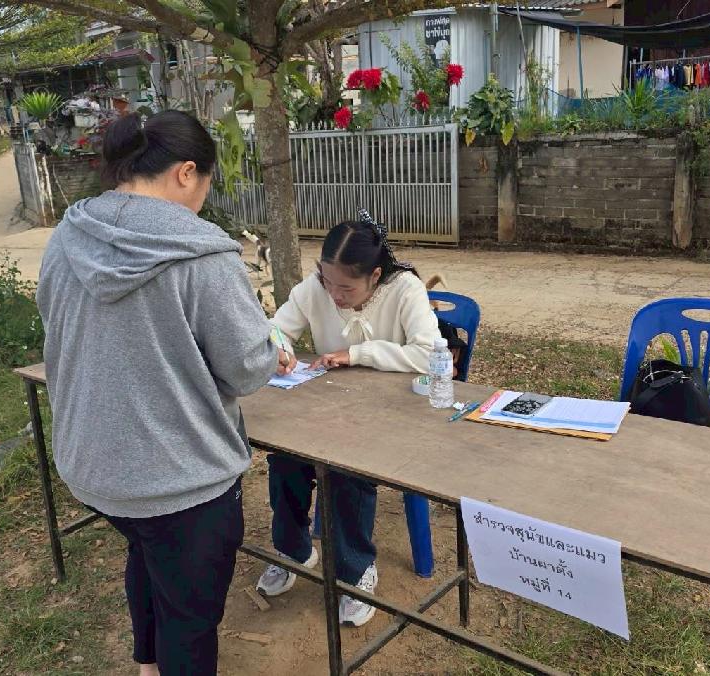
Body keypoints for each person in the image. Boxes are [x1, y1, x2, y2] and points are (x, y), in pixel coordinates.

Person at [36, 110, 286, 676]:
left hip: (93, 466)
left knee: (147, 556)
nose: (202, 198)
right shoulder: (202, 254)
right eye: (205, 183)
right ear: (186, 172)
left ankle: (147, 667)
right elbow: (248, 369)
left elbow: (55, 321)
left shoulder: (68, 235)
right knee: (190, 621)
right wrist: (268, 345)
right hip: (181, 481)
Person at [256, 211, 442, 627]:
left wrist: (358, 354)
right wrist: (280, 348)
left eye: (346, 287)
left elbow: (430, 353)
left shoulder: (404, 289)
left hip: (391, 414)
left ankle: (355, 571)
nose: (334, 295)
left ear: (374, 276)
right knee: (285, 459)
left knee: (345, 471)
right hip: (328, 410)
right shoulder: (315, 289)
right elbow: (275, 328)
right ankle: (293, 549)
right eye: (327, 282)